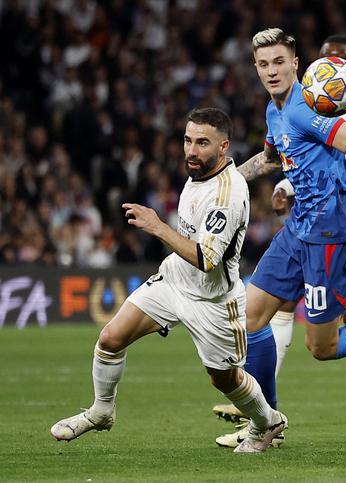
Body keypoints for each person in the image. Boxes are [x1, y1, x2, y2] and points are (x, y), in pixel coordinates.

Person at [212, 35, 346, 448]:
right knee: (250, 318)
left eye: (279, 62)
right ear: (256, 68)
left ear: (296, 64)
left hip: (331, 235)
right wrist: (226, 179)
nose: (271, 70)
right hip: (298, 229)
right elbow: (274, 158)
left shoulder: (309, 107)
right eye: (263, 64)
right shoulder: (272, 110)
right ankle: (267, 423)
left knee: (322, 347)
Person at [49, 108, 286, 454]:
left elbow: (207, 260)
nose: (191, 150)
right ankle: (101, 411)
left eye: (202, 143)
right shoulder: (204, 171)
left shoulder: (226, 196)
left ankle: (267, 422)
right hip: (175, 279)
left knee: (224, 379)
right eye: (188, 140)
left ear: (223, 147)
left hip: (213, 301)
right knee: (112, 337)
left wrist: (157, 226)